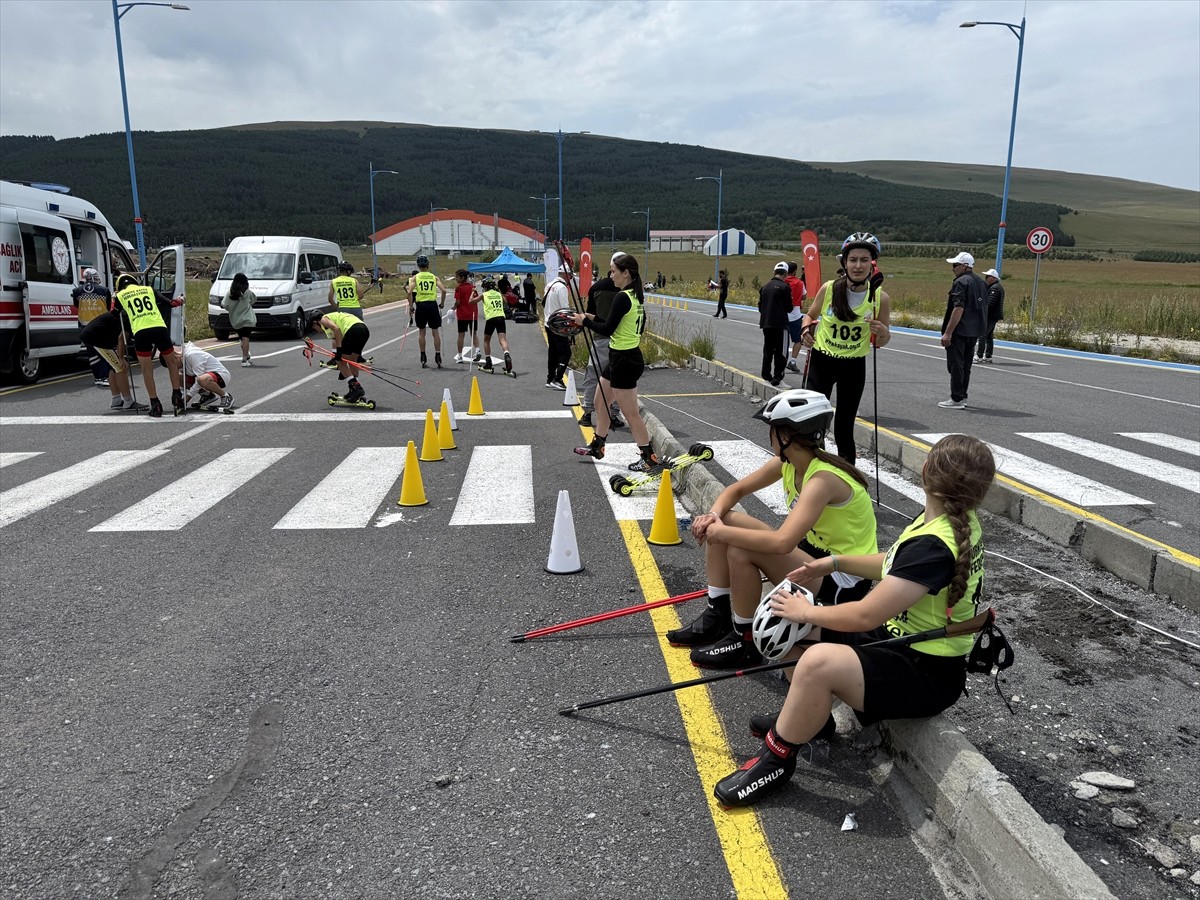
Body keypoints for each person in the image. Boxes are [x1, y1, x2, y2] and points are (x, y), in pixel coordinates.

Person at [712, 434, 996, 807]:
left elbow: (866, 613)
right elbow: (894, 565)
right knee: (786, 628)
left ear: (926, 470)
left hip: (925, 671)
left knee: (816, 660)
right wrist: (834, 563)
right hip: (900, 643)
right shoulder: (947, 521)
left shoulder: (935, 542)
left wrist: (806, 611)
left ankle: (776, 759)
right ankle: (813, 722)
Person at [673, 390, 879, 670]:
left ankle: (745, 642)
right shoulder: (790, 463)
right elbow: (736, 490)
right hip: (815, 557)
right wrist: (713, 516)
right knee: (727, 518)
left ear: (785, 436)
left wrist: (721, 534)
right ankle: (717, 614)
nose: (769, 436)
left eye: (772, 430)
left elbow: (783, 542)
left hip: (843, 578)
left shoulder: (822, 479)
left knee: (741, 549)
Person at [800, 233, 892, 463]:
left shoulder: (880, 298)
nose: (858, 265)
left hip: (852, 366)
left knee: (844, 426)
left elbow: (881, 341)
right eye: (853, 260)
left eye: (864, 260)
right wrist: (805, 330)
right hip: (822, 361)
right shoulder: (829, 288)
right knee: (813, 420)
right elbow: (810, 315)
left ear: (872, 264)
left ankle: (846, 475)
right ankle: (812, 468)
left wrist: (882, 332)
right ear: (845, 262)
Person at [571, 253, 662, 472]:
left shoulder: (623, 297)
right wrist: (591, 318)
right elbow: (614, 324)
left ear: (625, 273)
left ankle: (648, 457)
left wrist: (584, 322)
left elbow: (608, 329)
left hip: (624, 360)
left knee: (630, 413)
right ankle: (598, 445)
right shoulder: (634, 296)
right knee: (600, 401)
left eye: (613, 271)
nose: (611, 275)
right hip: (619, 357)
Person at [112, 274, 184, 418]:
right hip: (159, 327)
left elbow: (114, 312)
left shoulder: (120, 295)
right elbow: (171, 303)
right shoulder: (148, 289)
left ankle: (155, 404)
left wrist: (115, 298)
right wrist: (181, 300)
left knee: (147, 369)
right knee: (171, 362)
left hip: (141, 331)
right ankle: (177, 395)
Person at [578, 252, 627, 430]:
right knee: (616, 379)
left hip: (599, 338)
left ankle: (587, 413)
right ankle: (613, 414)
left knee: (593, 376)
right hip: (620, 340)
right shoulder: (626, 291)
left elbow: (591, 315)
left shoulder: (596, 288)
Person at [940, 252, 988, 409]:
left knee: (955, 364)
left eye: (955, 265)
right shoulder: (981, 282)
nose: (953, 269)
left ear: (964, 266)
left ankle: (956, 398)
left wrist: (948, 332)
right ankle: (963, 395)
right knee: (966, 365)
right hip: (974, 330)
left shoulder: (961, 282)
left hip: (959, 330)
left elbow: (958, 307)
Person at [79, 309, 144, 411]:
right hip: (96, 338)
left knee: (113, 367)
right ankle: (128, 401)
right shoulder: (130, 317)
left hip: (94, 336)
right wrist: (121, 358)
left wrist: (120, 355)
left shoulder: (124, 313)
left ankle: (116, 400)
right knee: (120, 367)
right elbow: (121, 338)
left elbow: (119, 340)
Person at [310, 310, 370, 403]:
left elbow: (336, 329)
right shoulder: (332, 319)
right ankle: (354, 388)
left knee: (339, 361)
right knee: (352, 360)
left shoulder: (323, 319)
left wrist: (339, 350)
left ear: (315, 322)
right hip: (364, 329)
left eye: (313, 328)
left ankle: (356, 388)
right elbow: (338, 337)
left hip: (353, 329)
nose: (316, 332)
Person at [72, 267, 114, 388]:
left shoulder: (77, 291)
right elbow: (107, 307)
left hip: (85, 326)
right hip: (100, 326)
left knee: (92, 353)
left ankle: (98, 377)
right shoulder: (104, 290)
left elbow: (76, 305)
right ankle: (104, 376)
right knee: (104, 351)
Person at [408, 255, 446, 368]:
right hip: (432, 305)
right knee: (435, 332)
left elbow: (409, 292)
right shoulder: (434, 277)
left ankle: (423, 355)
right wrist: (442, 303)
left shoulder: (415, 277)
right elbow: (444, 290)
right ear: (428, 264)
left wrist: (411, 307)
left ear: (418, 266)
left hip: (421, 305)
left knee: (421, 332)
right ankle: (438, 355)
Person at [542, 261, 574, 390]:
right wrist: (569, 327)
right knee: (566, 352)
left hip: (548, 322)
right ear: (566, 274)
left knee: (553, 352)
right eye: (570, 276)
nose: (570, 278)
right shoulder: (562, 288)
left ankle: (550, 378)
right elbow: (565, 310)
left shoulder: (549, 285)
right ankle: (558, 378)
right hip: (558, 325)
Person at [759, 262, 792, 386]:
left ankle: (766, 375)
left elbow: (760, 307)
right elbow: (789, 307)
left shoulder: (764, 287)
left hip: (766, 323)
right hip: (780, 324)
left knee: (768, 349)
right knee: (781, 351)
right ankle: (778, 378)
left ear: (774, 272)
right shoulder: (785, 287)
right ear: (785, 274)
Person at [474, 276, 514, 374]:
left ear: (485, 287)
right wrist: (498, 291)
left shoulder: (484, 294)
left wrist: (473, 292)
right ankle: (507, 355)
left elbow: (471, 301)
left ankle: (488, 362)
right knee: (503, 340)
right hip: (501, 317)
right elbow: (506, 302)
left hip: (491, 318)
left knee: (486, 340)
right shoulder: (498, 294)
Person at [179, 341, 234, 410]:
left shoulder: (192, 355)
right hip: (206, 377)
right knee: (179, 377)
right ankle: (207, 395)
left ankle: (225, 396)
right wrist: (181, 399)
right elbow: (183, 384)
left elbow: (199, 380)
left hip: (221, 375)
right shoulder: (182, 359)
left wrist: (188, 397)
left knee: (202, 379)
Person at [221, 272, 256, 367]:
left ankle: (246, 356)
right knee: (246, 338)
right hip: (247, 319)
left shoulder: (229, 293)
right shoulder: (248, 292)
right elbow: (254, 300)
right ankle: (244, 359)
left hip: (236, 320)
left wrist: (232, 309)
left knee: (241, 339)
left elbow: (224, 304)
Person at [451, 269, 481, 362]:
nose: (456, 279)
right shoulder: (473, 287)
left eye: (457, 277)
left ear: (462, 278)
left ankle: (460, 356)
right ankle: (477, 350)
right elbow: (476, 298)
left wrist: (453, 308)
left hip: (462, 314)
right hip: (472, 313)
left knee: (461, 334)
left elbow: (458, 301)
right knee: (474, 333)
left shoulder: (459, 288)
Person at [784, 262, 808, 372]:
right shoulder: (799, 283)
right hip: (795, 315)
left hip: (782, 314)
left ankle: (780, 361)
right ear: (795, 271)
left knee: (781, 340)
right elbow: (804, 296)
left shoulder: (781, 281)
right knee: (798, 340)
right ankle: (793, 361)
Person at [977, 268, 1005, 364]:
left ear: (993, 278)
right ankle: (988, 356)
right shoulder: (995, 287)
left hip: (990, 316)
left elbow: (990, 303)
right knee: (988, 336)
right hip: (993, 316)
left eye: (987, 276)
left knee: (982, 335)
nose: (986, 278)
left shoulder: (995, 288)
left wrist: (981, 311)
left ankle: (979, 356)